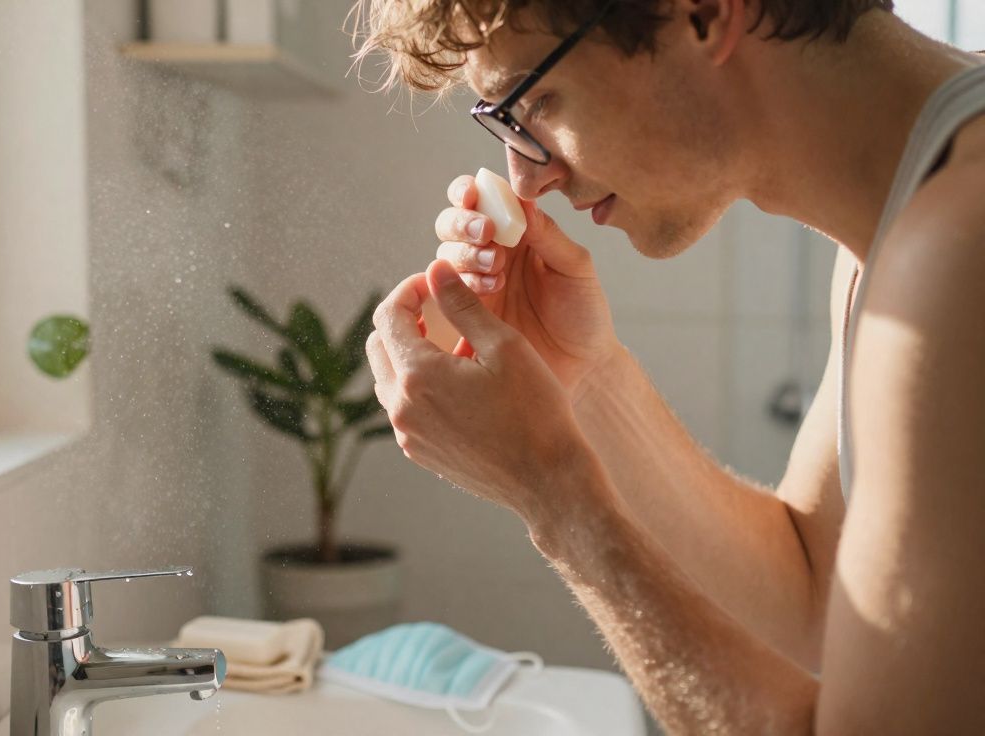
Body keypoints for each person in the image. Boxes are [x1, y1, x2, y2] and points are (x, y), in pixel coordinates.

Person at [356, 0, 985, 732]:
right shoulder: (898, 227)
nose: (527, 180)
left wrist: (555, 495)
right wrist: (585, 383)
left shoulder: (959, 250)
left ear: (700, 15)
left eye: (534, 99)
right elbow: (815, 588)